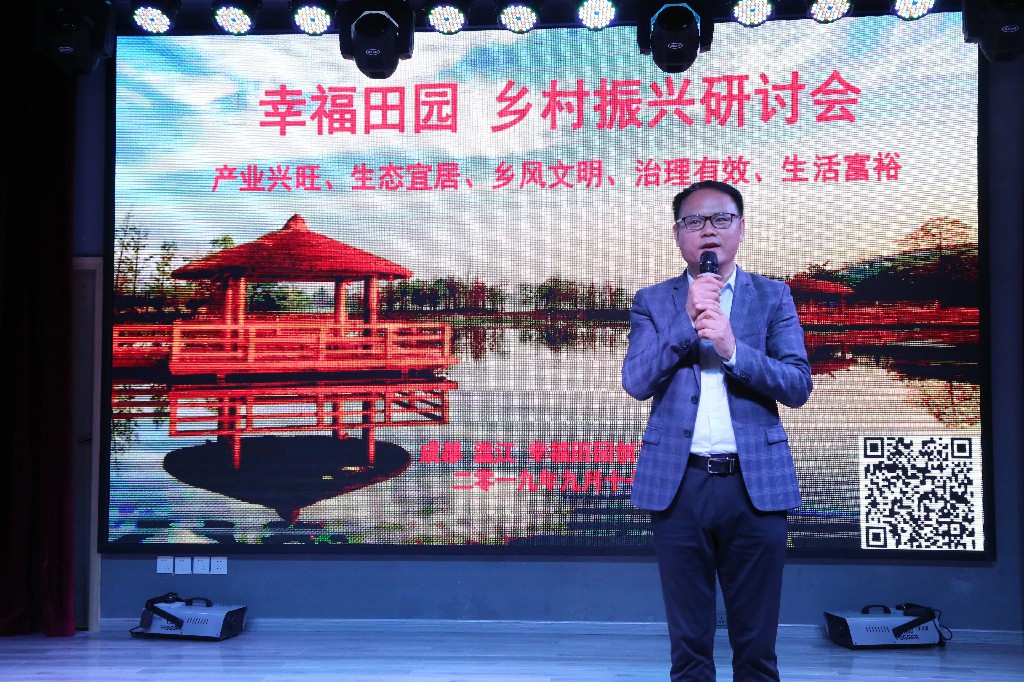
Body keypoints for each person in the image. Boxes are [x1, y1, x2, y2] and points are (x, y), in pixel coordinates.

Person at [622, 180, 812, 681]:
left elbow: (797, 385)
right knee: (689, 650)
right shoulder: (653, 300)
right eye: (694, 221)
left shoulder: (772, 296)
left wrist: (733, 351)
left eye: (721, 219)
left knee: (756, 649)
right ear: (678, 234)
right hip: (679, 484)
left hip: (755, 487)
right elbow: (636, 382)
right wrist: (685, 324)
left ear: (741, 228)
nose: (708, 230)